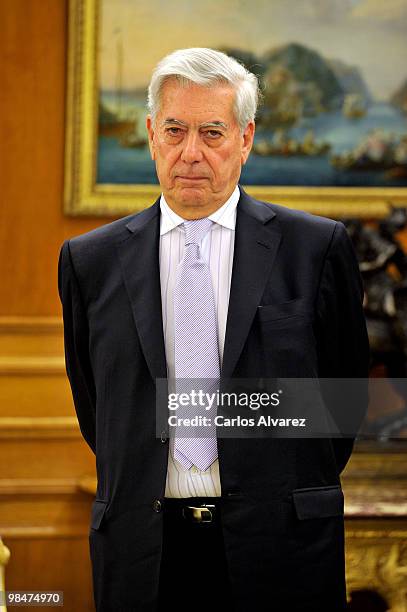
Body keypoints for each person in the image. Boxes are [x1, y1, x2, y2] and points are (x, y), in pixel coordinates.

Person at [58, 47, 370, 612]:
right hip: (142, 550)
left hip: (283, 548)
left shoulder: (316, 249)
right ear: (152, 133)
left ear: (246, 140)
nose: (190, 153)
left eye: (212, 132)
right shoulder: (89, 261)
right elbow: (96, 410)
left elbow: (342, 407)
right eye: (175, 130)